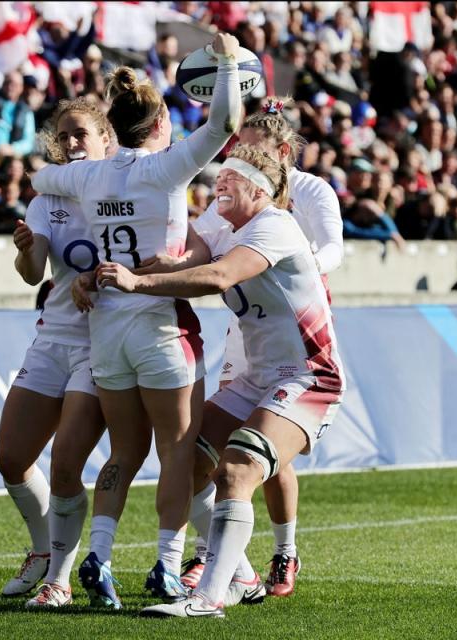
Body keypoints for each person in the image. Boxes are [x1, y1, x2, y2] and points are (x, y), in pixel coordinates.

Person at [32, 33, 241, 609]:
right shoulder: (165, 168)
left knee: (123, 453)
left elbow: (39, 179)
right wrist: (226, 61)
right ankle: (168, 566)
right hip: (158, 325)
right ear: (156, 126)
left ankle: (98, 557)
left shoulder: (87, 175)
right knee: (176, 451)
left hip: (105, 328)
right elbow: (223, 124)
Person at [93, 144, 345, 618]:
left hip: (310, 373)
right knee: (185, 466)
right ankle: (243, 576)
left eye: (230, 178)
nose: (219, 184)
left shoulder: (274, 225)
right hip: (256, 375)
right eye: (219, 176)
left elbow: (216, 276)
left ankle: (208, 598)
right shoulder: (226, 224)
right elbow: (181, 258)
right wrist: (103, 271)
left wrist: (137, 283)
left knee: (236, 470)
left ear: (259, 188)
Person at [181, 96, 344, 598]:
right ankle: (233, 568)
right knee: (189, 464)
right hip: (250, 340)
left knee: (251, 462)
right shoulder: (231, 201)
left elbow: (332, 247)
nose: (238, 160)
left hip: (300, 350)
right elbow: (193, 248)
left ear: (281, 158)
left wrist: (296, 264)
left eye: (253, 153)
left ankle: (276, 553)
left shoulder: (297, 202)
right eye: (236, 150)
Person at [0, 97, 113, 609]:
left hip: (102, 345)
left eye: (81, 134)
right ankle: (43, 552)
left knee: (66, 464)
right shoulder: (46, 198)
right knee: (12, 457)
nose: (71, 144)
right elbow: (33, 272)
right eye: (63, 136)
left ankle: (59, 581)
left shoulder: (122, 189)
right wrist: (25, 248)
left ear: (106, 138)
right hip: (53, 337)